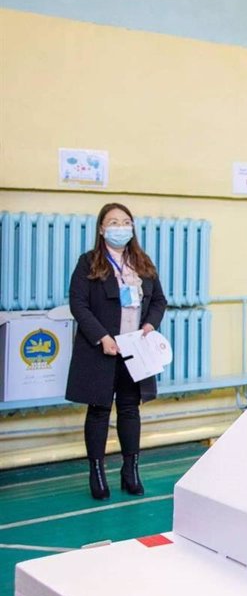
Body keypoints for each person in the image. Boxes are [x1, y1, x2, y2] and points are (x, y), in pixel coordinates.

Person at [66, 203, 168, 500]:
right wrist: (101, 337)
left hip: (135, 347)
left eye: (125, 222)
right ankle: (96, 473)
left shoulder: (143, 262)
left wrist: (150, 324)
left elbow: (159, 300)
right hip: (102, 348)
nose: (120, 227)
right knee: (98, 410)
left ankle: (130, 470)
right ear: (101, 228)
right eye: (113, 222)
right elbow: (78, 304)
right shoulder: (89, 263)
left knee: (129, 408)